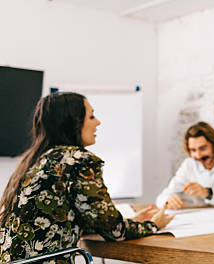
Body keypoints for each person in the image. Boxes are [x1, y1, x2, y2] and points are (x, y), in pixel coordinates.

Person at [0, 92, 173, 263]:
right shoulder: (78, 161)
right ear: (72, 122)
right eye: (91, 117)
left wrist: (130, 221)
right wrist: (153, 224)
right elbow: (115, 231)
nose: (98, 122)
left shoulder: (35, 160)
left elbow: (60, 218)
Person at [156, 121, 214, 209]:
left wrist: (207, 192)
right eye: (193, 150)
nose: (198, 155)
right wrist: (168, 200)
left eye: (203, 148)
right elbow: (162, 197)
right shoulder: (189, 164)